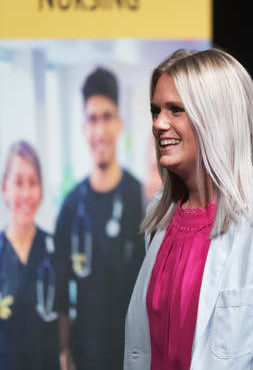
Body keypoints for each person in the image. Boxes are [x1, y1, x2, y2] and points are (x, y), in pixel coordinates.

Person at [124, 48, 253, 370]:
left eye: (176, 110)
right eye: (156, 110)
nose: (159, 124)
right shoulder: (162, 211)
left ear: (216, 116)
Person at [55, 67, 145, 370]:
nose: (100, 130)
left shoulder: (141, 200)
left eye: (107, 117)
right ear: (84, 128)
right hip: (85, 355)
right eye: (92, 119)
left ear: (119, 124)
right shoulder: (70, 207)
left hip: (133, 356)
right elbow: (60, 292)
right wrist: (64, 350)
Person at [0, 141, 59, 370]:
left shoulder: (54, 250)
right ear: (5, 187)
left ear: (41, 189)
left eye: (33, 183)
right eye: (18, 182)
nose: (26, 193)